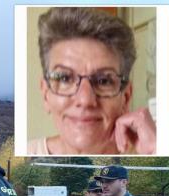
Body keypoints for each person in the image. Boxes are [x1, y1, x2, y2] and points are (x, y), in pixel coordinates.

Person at [28, 7, 156, 155]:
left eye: (103, 81)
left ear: (126, 97)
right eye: (65, 78)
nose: (85, 100)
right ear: (45, 94)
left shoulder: (151, 155)